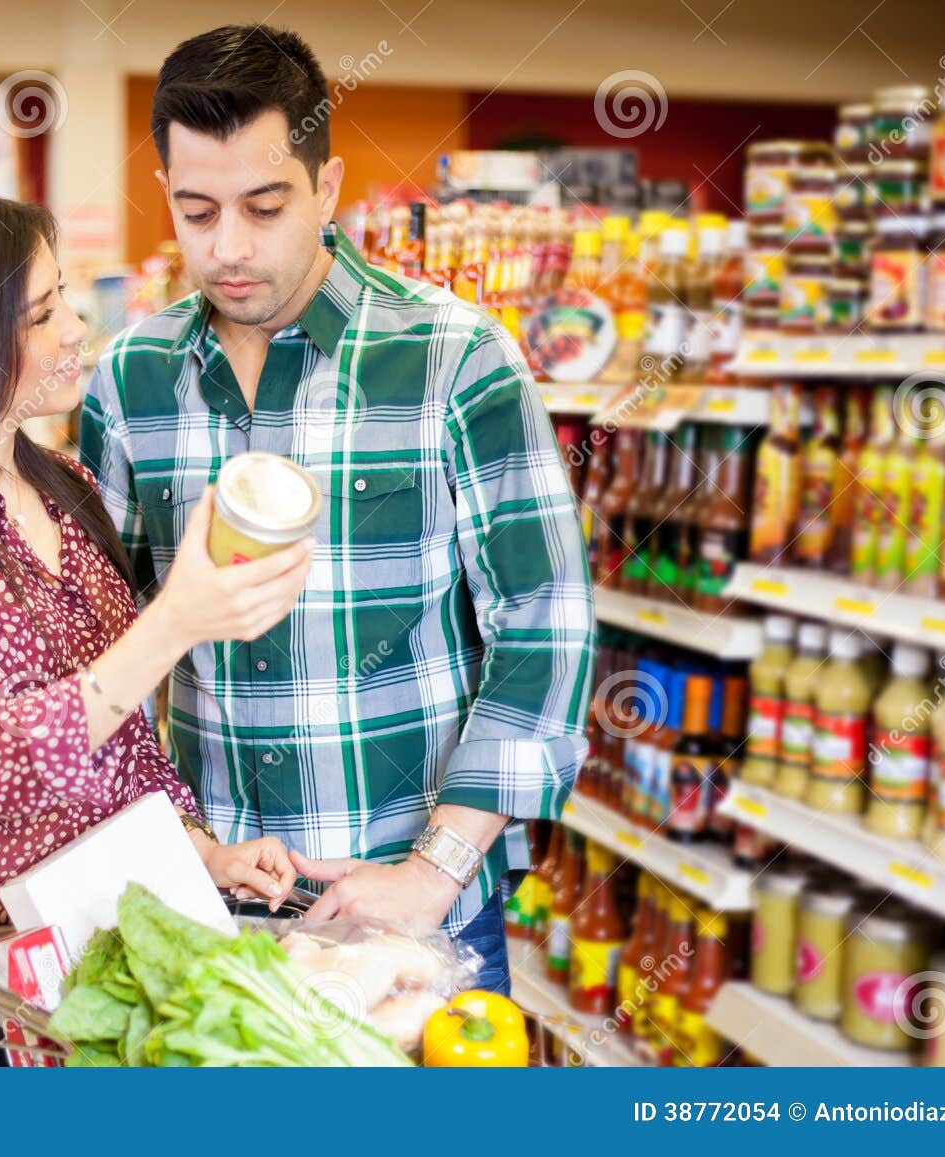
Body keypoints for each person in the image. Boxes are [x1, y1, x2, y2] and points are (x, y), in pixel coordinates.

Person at [78, 26, 596, 996]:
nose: (226, 247)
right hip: (211, 904)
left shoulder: (454, 357)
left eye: (264, 206)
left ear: (328, 188)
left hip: (415, 906)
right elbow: (104, 641)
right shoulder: (130, 380)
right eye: (195, 210)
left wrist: (431, 872)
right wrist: (177, 837)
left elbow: (545, 627)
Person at [0, 194, 306, 1066]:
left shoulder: (62, 486)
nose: (78, 328)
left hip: (61, 961)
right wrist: (174, 623)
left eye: (65, 297)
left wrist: (200, 852)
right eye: (42, 313)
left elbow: (123, 747)